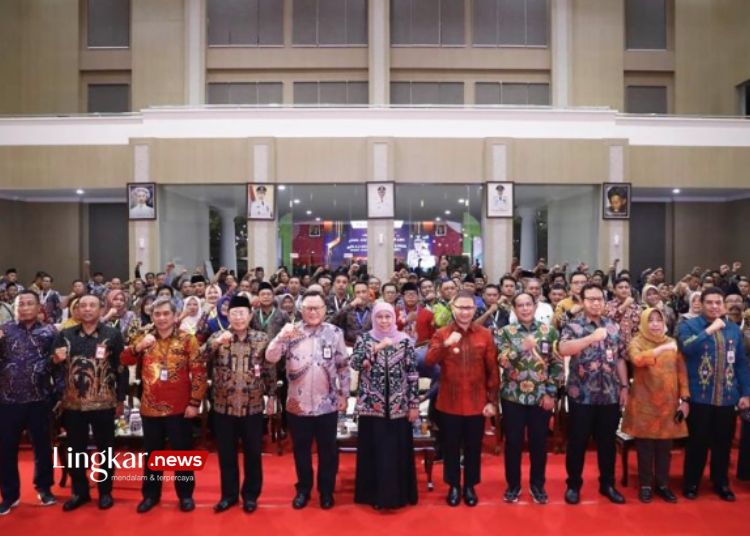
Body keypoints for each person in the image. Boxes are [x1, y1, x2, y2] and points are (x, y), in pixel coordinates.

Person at [121, 297, 207, 513]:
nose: (161, 318)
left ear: (175, 316)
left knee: (182, 454)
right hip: (150, 407)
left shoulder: (188, 340)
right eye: (157, 314)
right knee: (152, 455)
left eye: (166, 314)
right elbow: (124, 360)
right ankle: (150, 495)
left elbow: (198, 372)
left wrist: (194, 403)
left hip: (180, 408)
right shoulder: (144, 338)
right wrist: (139, 346)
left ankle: (185, 495)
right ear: (152, 316)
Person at [265, 291, 350, 510]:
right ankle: (303, 489)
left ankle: (326, 491)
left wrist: (344, 394)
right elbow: (270, 357)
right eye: (308, 308)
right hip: (298, 404)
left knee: (327, 451)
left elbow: (342, 366)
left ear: (325, 310)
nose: (313, 312)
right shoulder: (291, 332)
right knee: (301, 450)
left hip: (328, 403)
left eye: (317, 308)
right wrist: (281, 336)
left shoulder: (335, 333)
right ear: (301, 310)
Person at [52, 294, 126, 511]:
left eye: (92, 305)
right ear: (75, 310)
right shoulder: (64, 335)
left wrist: (120, 398)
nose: (87, 309)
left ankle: (105, 492)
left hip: (104, 403)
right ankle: (80, 492)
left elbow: (121, 368)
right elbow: (53, 367)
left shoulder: (112, 335)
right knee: (76, 451)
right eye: (82, 305)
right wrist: (55, 360)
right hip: (73, 404)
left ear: (101, 309)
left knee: (106, 450)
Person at [425, 290, 499, 507]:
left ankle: (470, 486)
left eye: (469, 308)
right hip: (449, 401)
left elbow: (492, 370)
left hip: (477, 403)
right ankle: (454, 485)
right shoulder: (442, 333)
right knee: (450, 447)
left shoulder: (484, 334)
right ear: (453, 308)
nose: (464, 312)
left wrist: (492, 401)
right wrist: (446, 344)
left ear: (475, 309)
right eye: (460, 307)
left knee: (473, 447)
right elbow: (429, 360)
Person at [203, 295, 276, 513]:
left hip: (252, 406)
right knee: (226, 454)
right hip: (223, 406)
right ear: (227, 315)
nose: (238, 317)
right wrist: (215, 344)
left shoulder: (262, 339)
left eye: (242, 313)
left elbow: (270, 369)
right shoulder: (217, 337)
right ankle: (229, 495)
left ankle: (251, 496)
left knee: (253, 453)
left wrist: (272, 396)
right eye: (234, 313)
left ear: (250, 315)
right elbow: (200, 359)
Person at [677, 287, 750, 501]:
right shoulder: (689, 325)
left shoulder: (733, 329)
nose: (715, 306)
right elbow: (686, 349)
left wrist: (746, 392)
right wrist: (709, 331)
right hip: (699, 396)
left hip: (727, 397)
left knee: (723, 444)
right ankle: (691, 482)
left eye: (719, 302)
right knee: (697, 443)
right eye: (710, 302)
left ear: (724, 305)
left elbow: (741, 364)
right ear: (701, 304)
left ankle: (721, 482)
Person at [559, 282, 629, 505]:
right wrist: (591, 338)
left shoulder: (613, 326)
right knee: (577, 442)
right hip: (582, 395)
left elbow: (619, 358)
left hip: (609, 394)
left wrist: (625, 386)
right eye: (590, 299)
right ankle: (573, 485)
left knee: (607, 443)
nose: (596, 303)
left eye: (599, 298)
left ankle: (607, 484)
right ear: (582, 301)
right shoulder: (573, 326)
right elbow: (563, 349)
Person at [350, 302, 419, 510]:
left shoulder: (405, 341)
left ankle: (399, 497)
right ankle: (373, 496)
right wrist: (377, 348)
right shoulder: (364, 339)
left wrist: (413, 404)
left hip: (399, 407)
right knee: (375, 451)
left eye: (387, 317)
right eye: (379, 317)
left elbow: (413, 374)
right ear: (374, 318)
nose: (383, 321)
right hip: (372, 407)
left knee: (396, 452)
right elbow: (354, 363)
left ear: (394, 318)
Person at [498, 292, 563, 505]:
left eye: (528, 304)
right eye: (520, 305)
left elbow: (557, 365)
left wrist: (550, 393)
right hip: (512, 397)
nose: (525, 308)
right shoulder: (506, 332)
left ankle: (537, 485)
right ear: (514, 309)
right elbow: (503, 361)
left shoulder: (549, 332)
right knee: (513, 443)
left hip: (540, 398)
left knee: (538, 443)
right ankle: (513, 486)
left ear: (535, 307)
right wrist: (521, 348)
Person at [621, 307, 689, 503]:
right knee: (645, 448)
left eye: (659, 320)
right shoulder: (637, 342)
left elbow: (681, 373)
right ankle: (645, 485)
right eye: (650, 320)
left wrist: (685, 399)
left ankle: (662, 484)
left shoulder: (672, 342)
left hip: (668, 405)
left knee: (664, 448)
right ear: (643, 323)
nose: (655, 324)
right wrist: (661, 349)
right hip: (644, 404)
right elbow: (638, 360)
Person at [0, 291, 58, 516]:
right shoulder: (5, 331)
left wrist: (58, 395)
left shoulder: (50, 332)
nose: (24, 307)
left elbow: (57, 363)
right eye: (20, 304)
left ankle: (44, 488)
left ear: (38, 307)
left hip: (40, 399)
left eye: (29, 303)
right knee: (6, 449)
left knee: (43, 447)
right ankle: (10, 495)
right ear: (14, 308)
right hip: (7, 400)